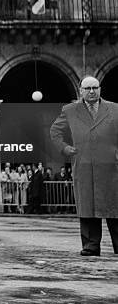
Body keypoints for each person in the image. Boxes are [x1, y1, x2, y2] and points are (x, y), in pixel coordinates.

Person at [50, 76, 118, 256]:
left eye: (95, 87)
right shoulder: (70, 110)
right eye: (87, 88)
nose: (91, 91)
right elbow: (55, 131)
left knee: (115, 206)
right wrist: (65, 148)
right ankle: (91, 246)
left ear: (100, 89)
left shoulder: (115, 109)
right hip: (84, 166)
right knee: (87, 206)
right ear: (81, 90)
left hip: (111, 166)